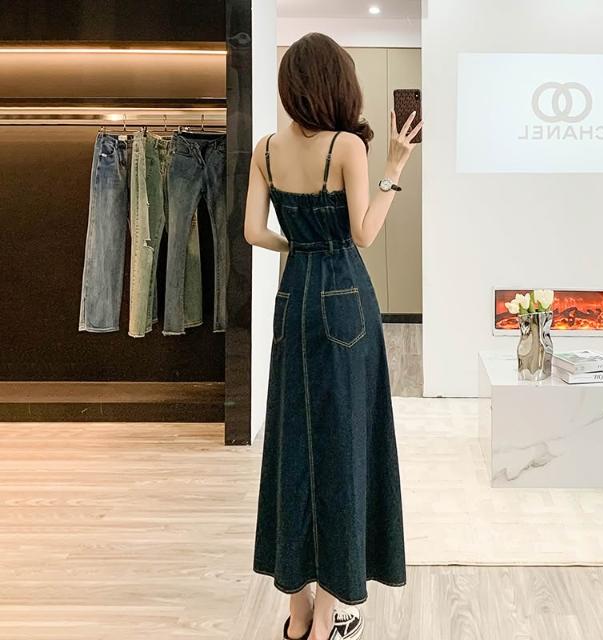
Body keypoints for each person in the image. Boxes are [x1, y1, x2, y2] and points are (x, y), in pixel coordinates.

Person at [243, 32, 423, 640]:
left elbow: (252, 232)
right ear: (337, 84)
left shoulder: (266, 150)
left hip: (293, 297)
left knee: (292, 442)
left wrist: (297, 246)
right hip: (345, 299)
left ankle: (297, 613)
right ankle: (326, 618)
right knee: (344, 443)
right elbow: (363, 234)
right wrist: (394, 167)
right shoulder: (347, 146)